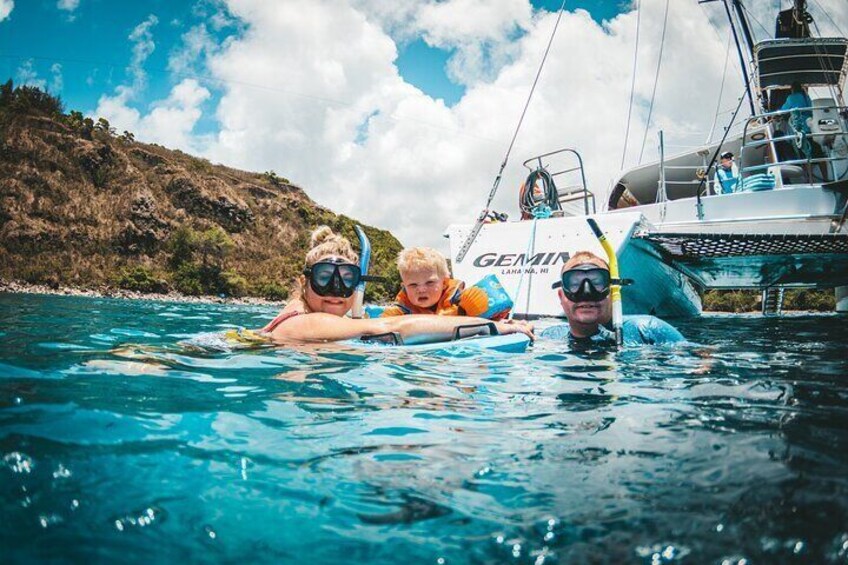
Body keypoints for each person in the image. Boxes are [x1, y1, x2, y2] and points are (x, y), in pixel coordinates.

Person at [261, 227, 533, 344]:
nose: (335, 289)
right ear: (303, 281)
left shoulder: (301, 314)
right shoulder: (303, 322)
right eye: (323, 278)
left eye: (346, 280)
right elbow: (393, 327)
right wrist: (495, 327)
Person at [540, 251, 684, 349]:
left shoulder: (648, 330)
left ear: (614, 290)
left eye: (597, 283)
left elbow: (698, 361)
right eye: (575, 284)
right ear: (561, 296)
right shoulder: (551, 336)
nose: (587, 292)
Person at [379, 247, 497, 318]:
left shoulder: (462, 301)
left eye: (430, 282)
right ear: (404, 287)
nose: (421, 289)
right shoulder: (400, 312)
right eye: (413, 285)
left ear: (445, 282)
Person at [780, 81, 828, 181]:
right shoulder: (806, 97)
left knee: (805, 155)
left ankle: (810, 180)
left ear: (792, 89)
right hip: (811, 129)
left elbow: (783, 110)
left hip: (801, 131)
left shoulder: (791, 98)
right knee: (819, 155)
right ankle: (826, 178)